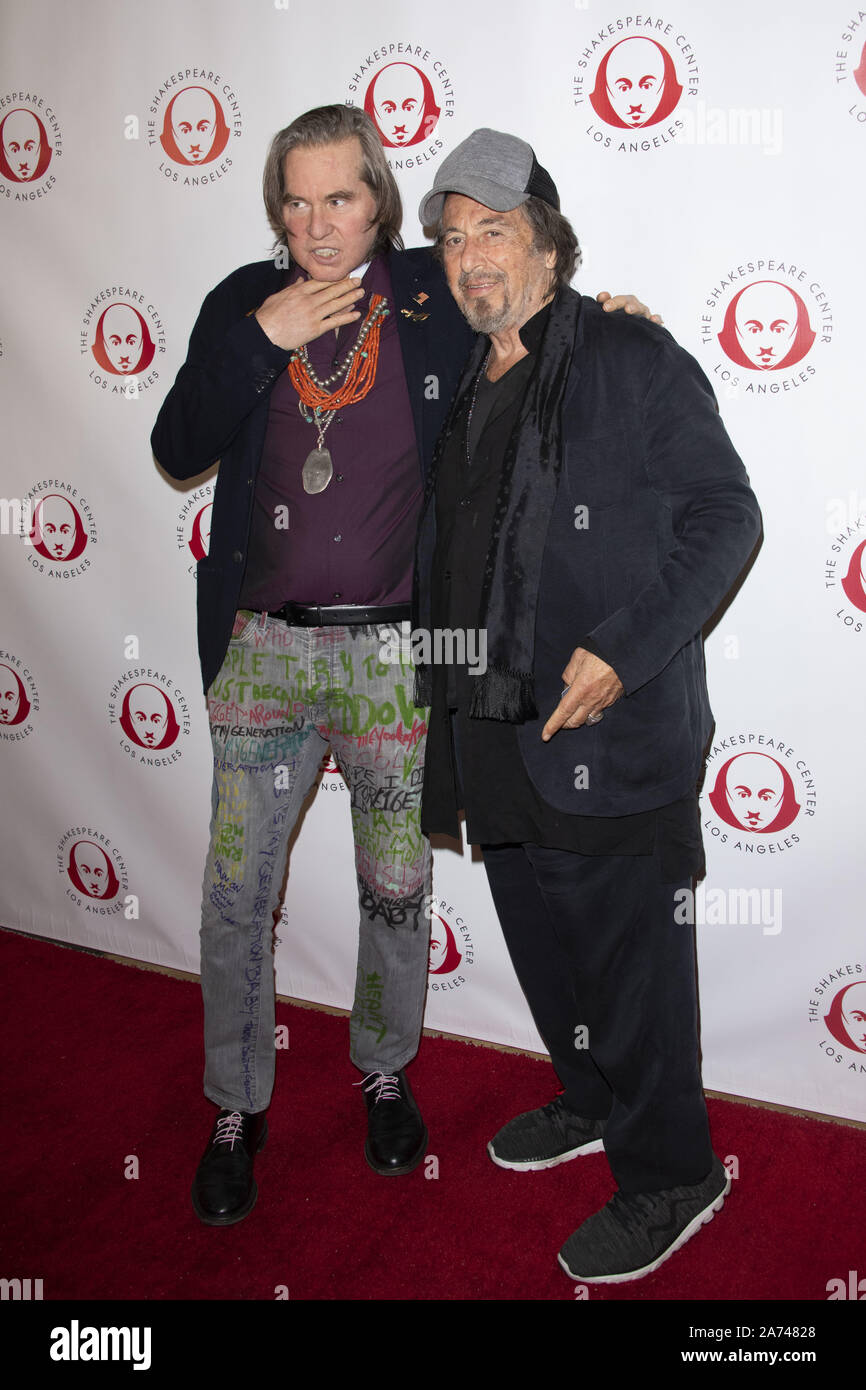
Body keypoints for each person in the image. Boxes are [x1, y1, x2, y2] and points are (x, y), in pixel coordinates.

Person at [151, 102, 655, 1228]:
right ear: (274, 209)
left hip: (395, 652)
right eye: (296, 199)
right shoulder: (242, 300)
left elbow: (522, 296)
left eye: (340, 197)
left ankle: (382, 1070)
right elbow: (175, 447)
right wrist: (259, 340)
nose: (318, 223)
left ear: (379, 202)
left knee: (396, 884)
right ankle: (235, 1106)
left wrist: (611, 323)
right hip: (263, 652)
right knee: (237, 893)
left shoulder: (429, 298)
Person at [414, 127, 762, 1284]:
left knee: (632, 971)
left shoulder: (628, 357)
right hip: (492, 732)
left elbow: (725, 516)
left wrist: (619, 651)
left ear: (548, 246)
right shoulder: (461, 377)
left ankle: (671, 1172)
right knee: (549, 952)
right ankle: (591, 1097)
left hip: (610, 739)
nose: (470, 259)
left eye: (494, 233)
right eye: (453, 238)